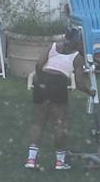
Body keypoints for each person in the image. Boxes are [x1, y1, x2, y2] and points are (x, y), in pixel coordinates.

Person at [26, 28, 89, 170]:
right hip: (59, 84)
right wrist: (90, 92)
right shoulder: (76, 57)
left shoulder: (53, 47)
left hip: (42, 82)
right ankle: (60, 162)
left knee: (38, 123)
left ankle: (31, 160)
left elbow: (38, 64)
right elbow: (80, 84)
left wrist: (40, 79)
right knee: (59, 124)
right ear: (77, 41)